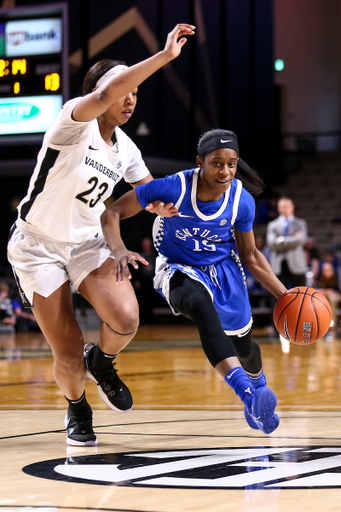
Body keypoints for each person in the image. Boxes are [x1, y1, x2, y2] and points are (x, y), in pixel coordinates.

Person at [7, 23, 195, 447]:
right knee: (67, 352)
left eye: (135, 92)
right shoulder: (73, 121)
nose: (130, 97)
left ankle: (104, 361)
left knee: (127, 318)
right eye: (121, 89)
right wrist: (164, 57)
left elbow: (149, 190)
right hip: (37, 246)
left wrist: (168, 202)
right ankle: (77, 406)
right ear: (99, 93)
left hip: (86, 244)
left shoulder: (126, 147)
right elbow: (106, 95)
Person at [100, 129, 288, 434]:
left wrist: (284, 294)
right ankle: (248, 395)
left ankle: (259, 392)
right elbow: (113, 211)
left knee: (245, 346)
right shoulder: (174, 187)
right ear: (200, 162)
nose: (225, 171)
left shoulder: (242, 201)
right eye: (216, 163)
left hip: (223, 269)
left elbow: (250, 254)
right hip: (178, 267)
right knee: (200, 307)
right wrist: (119, 249)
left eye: (231, 163)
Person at [266, 197, 308, 289]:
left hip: (296, 264)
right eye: (282, 206)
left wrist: (281, 240)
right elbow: (271, 243)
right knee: (278, 295)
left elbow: (301, 240)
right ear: (278, 208)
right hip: (278, 265)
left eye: (287, 206)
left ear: (292, 207)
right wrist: (293, 239)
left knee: (301, 295)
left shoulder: (300, 223)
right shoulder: (273, 225)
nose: (284, 208)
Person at [316, 261, 341, 338]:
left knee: (332, 299)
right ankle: (320, 327)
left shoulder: (337, 277)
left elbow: (338, 290)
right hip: (324, 297)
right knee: (318, 300)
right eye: (326, 270)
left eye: (329, 270)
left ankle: (333, 328)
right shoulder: (319, 278)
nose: (328, 272)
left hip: (335, 297)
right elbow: (316, 290)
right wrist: (326, 291)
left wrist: (330, 292)